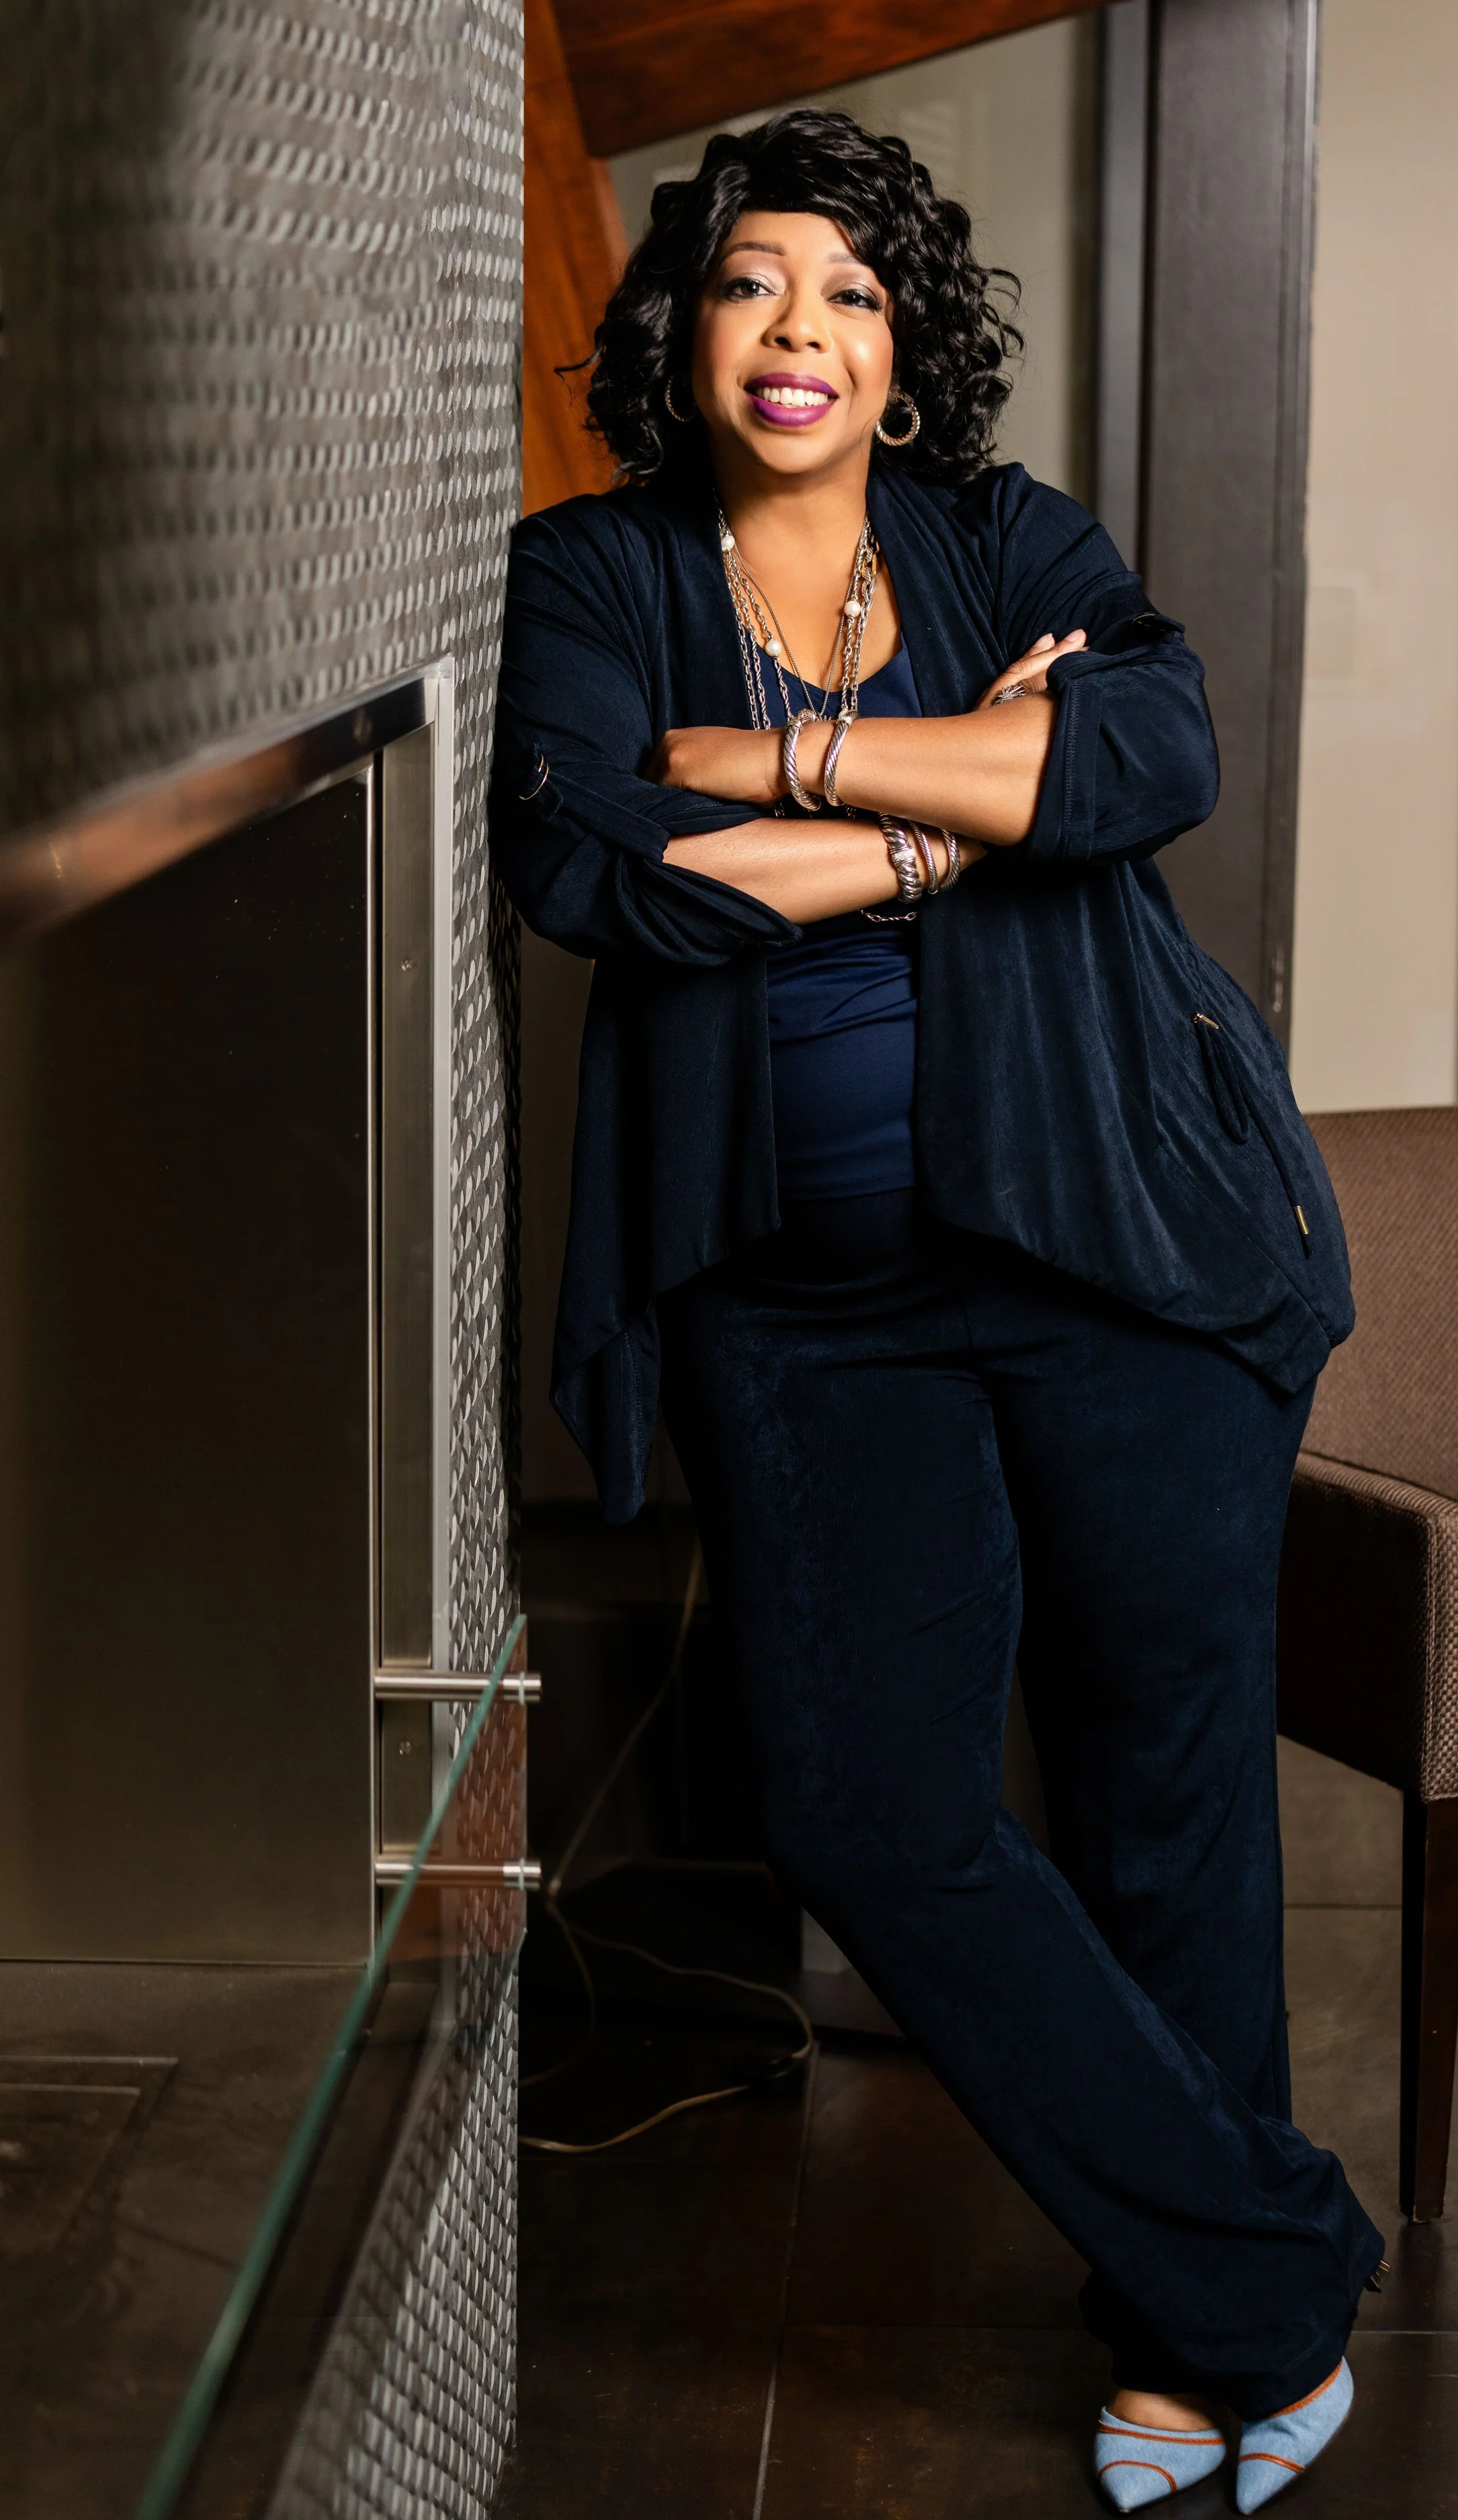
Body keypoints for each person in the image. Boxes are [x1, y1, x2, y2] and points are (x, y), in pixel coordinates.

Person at [491, 108, 1385, 2513]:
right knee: (865, 1805)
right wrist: (965, 788)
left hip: (1120, 1249)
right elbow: (592, 858)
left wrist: (790, 777)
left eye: (849, 297)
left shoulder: (1010, 537)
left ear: (909, 356)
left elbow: (1150, 751)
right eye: (751, 284)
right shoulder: (588, 572)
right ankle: (1274, 2264)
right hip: (804, 1311)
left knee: (1159, 1790)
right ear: (682, 332)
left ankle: (1198, 2335)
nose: (798, 333)